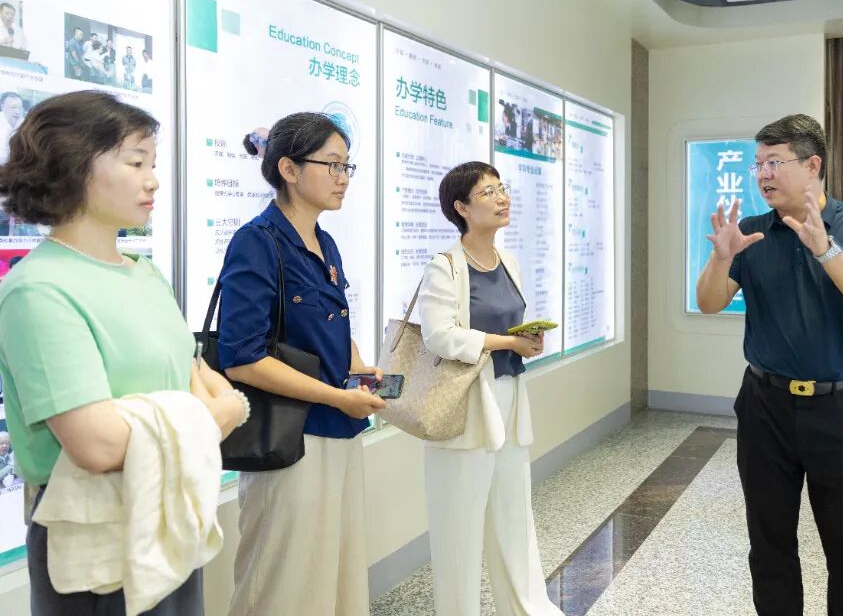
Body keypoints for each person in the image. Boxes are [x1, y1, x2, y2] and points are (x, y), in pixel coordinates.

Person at [0, 90, 246, 615]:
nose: (152, 180)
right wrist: (214, 417)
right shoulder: (38, 290)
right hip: (94, 531)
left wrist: (210, 408)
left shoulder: (146, 274)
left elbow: (198, 375)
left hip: (172, 509)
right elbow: (97, 444)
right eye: (136, 162)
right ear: (73, 165)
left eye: (152, 164)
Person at [695, 114, 843, 616]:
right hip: (765, 406)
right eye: (758, 165)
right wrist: (721, 259)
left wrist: (825, 250)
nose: (763, 175)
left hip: (840, 409)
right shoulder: (751, 232)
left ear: (812, 166)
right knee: (768, 546)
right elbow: (709, 302)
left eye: (774, 162)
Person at [217, 111, 386, 616]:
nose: (342, 177)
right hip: (290, 440)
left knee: (335, 574)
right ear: (289, 169)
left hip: (339, 429)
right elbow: (242, 358)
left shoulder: (324, 241)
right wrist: (336, 396)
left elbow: (333, 323)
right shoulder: (258, 241)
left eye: (347, 166)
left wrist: (359, 369)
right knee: (283, 585)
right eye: (331, 164)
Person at [418, 161, 563, 616]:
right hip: (466, 406)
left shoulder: (509, 262)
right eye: (488, 192)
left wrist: (526, 342)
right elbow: (439, 336)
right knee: (458, 529)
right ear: (461, 208)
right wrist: (507, 342)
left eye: (502, 188)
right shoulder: (445, 266)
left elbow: (509, 325)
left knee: (514, 518)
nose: (502, 198)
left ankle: (525, 607)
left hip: (509, 399)